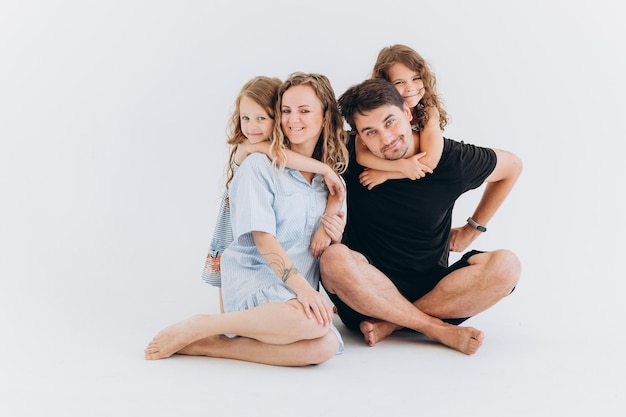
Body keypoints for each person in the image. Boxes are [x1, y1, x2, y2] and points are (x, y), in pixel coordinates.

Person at [145, 72, 350, 366]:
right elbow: (262, 238)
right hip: (257, 281)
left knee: (325, 346)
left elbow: (324, 250)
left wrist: (335, 234)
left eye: (304, 111)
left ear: (325, 116)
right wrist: (304, 291)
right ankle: (204, 324)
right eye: (286, 111)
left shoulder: (329, 183)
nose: (293, 120)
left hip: (293, 296)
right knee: (314, 326)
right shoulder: (258, 165)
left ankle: (214, 345)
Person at [319, 77, 523, 355]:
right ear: (357, 135)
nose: (386, 139)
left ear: (407, 112)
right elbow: (287, 144)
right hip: (365, 300)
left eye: (390, 122)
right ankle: (435, 329)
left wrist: (473, 228)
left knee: (507, 266)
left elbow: (512, 166)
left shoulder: (448, 158)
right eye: (370, 132)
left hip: (439, 294)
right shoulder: (348, 155)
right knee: (333, 259)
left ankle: (390, 325)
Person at [201, 76, 346, 313]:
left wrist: (331, 229)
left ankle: (228, 325)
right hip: (242, 246)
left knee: (322, 340)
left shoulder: (328, 181)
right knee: (230, 263)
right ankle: (224, 323)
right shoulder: (253, 154)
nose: (252, 127)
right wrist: (323, 168)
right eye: (286, 110)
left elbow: (323, 243)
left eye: (261, 118)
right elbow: (280, 157)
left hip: (292, 288)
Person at [355, 44, 447, 190]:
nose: (410, 88)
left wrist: (386, 174)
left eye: (416, 78)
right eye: (399, 82)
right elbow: (362, 156)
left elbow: (429, 162)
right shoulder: (375, 115)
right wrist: (400, 165)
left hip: (424, 185)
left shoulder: (428, 112)